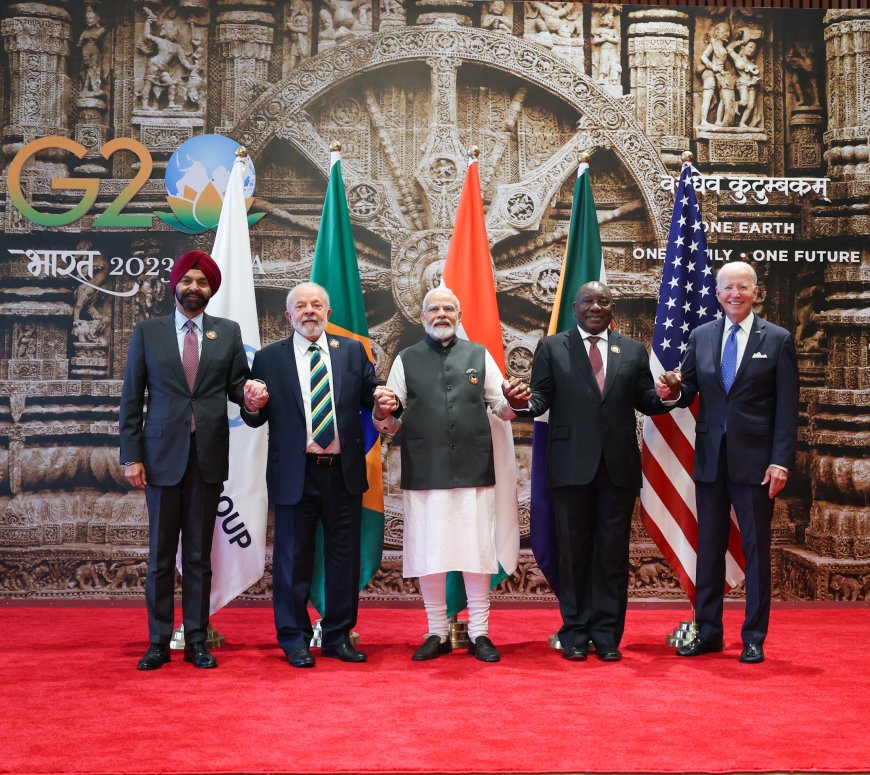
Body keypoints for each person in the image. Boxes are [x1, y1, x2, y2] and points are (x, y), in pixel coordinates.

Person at [120, 249, 267, 670]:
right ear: (175, 285)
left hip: (207, 460)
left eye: (202, 283)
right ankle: (158, 643)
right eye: (188, 280)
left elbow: (238, 386)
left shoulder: (228, 331)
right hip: (162, 459)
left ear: (211, 290)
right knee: (162, 557)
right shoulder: (149, 332)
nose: (194, 288)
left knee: (200, 557)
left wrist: (253, 400)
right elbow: (132, 399)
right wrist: (132, 456)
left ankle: (197, 641)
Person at [373, 287, 529, 663]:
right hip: (425, 470)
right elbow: (389, 424)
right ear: (422, 315)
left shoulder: (478, 355)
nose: (440, 314)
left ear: (458, 315)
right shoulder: (406, 359)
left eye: (448, 309)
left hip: (475, 469)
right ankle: (436, 630)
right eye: (434, 309)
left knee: (476, 551)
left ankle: (479, 631)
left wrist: (516, 402)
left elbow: (501, 408)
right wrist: (383, 411)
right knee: (430, 552)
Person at [524, 281, 677, 662]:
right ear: (574, 307)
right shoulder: (552, 347)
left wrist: (669, 394)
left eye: (603, 301)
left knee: (611, 554)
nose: (595, 306)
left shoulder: (631, 349)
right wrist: (520, 401)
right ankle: (575, 632)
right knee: (573, 554)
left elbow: (646, 401)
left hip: (617, 469)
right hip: (570, 467)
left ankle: (607, 635)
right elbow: (540, 398)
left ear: (613, 308)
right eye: (588, 301)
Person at [657, 262, 798, 664]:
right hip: (710, 461)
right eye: (727, 288)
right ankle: (709, 632)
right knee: (710, 550)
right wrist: (669, 389)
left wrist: (780, 462)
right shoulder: (701, 336)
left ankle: (753, 636)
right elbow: (686, 394)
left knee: (755, 551)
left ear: (756, 292)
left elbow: (788, 410)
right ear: (717, 295)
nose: (734, 294)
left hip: (757, 464)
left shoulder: (779, 339)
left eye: (743, 287)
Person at [241, 282, 382, 668]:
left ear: (328, 313)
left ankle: (338, 636)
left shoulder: (353, 352)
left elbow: (374, 397)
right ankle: (294, 639)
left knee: (343, 561)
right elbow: (255, 417)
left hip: (343, 473)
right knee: (292, 561)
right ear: (289, 316)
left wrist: (389, 402)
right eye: (300, 306)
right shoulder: (270, 359)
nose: (309, 311)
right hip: (295, 474)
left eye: (317, 305)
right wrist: (251, 406)